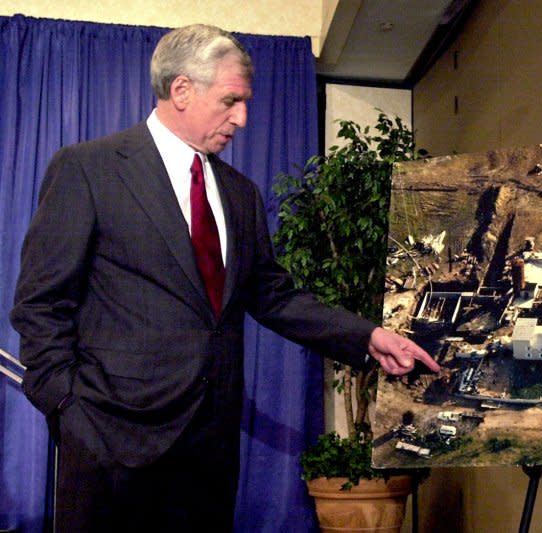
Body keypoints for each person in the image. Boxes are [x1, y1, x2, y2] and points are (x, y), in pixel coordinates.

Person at [10, 24, 440, 532]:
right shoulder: (87, 169)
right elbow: (40, 305)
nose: (243, 117)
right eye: (231, 100)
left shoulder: (240, 193)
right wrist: (69, 411)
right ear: (182, 90)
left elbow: (272, 295)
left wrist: (367, 337)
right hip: (110, 442)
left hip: (210, 447)